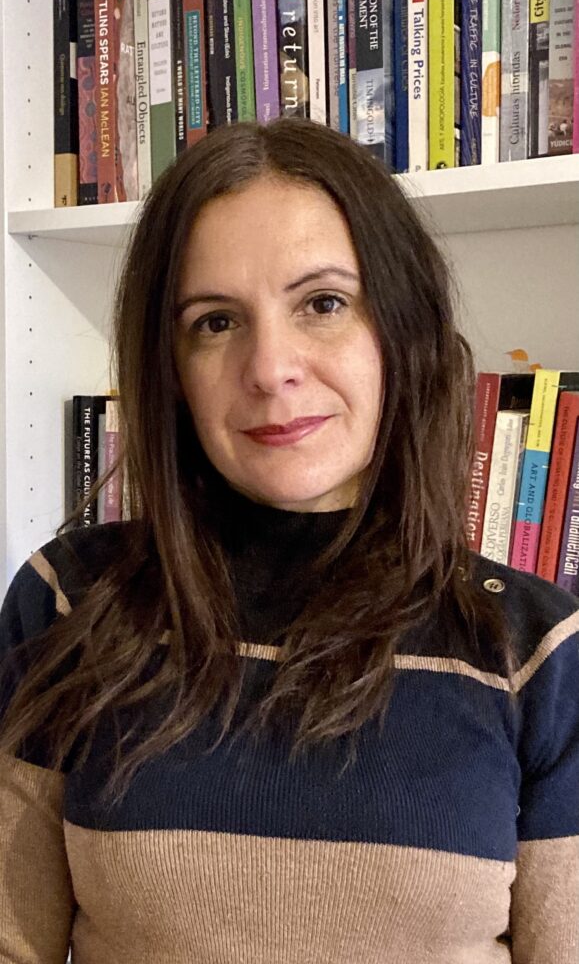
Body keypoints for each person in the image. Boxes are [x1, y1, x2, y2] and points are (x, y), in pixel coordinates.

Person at [0, 117, 578, 964]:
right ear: (169, 368)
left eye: (323, 304)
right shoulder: (67, 603)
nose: (270, 368)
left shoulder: (536, 650)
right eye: (215, 321)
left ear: (404, 330)